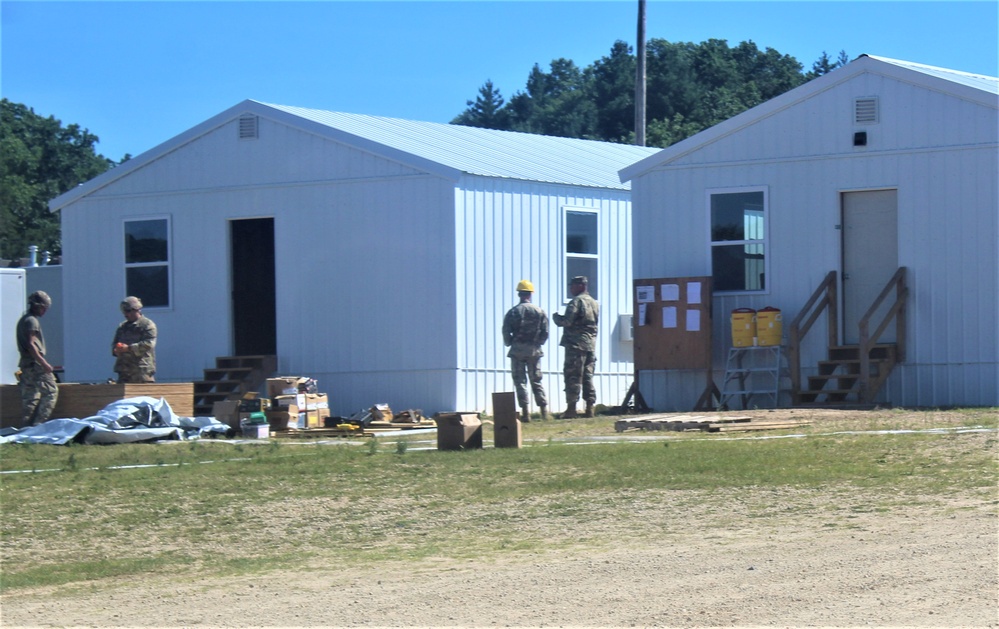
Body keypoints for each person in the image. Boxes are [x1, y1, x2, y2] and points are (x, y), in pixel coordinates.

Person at [552, 276, 599, 418]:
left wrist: (556, 318)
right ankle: (590, 408)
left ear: (580, 286)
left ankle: (571, 409)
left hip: (576, 345)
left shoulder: (576, 302)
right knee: (587, 376)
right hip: (590, 345)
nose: (570, 288)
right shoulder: (594, 303)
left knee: (573, 376)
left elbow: (567, 321)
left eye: (572, 285)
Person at [502, 279, 549, 421]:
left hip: (517, 351)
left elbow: (506, 331)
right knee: (536, 380)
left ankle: (525, 412)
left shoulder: (513, 312)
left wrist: (509, 342)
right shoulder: (539, 311)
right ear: (531, 294)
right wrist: (538, 343)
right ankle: (544, 411)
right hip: (534, 351)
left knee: (520, 381)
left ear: (519, 294)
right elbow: (545, 332)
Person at [16, 290, 58, 427]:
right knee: (51, 391)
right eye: (44, 308)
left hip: (26, 365)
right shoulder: (32, 321)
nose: (44, 311)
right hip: (35, 364)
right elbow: (31, 344)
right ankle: (38, 425)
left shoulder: (24, 320)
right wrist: (44, 363)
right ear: (38, 306)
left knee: (30, 398)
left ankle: (26, 428)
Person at [112, 296, 157, 383]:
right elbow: (114, 344)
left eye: (128, 311)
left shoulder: (147, 325)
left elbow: (148, 344)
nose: (125, 314)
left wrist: (128, 348)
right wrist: (116, 350)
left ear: (137, 309)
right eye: (123, 311)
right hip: (124, 371)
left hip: (141, 371)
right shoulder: (122, 327)